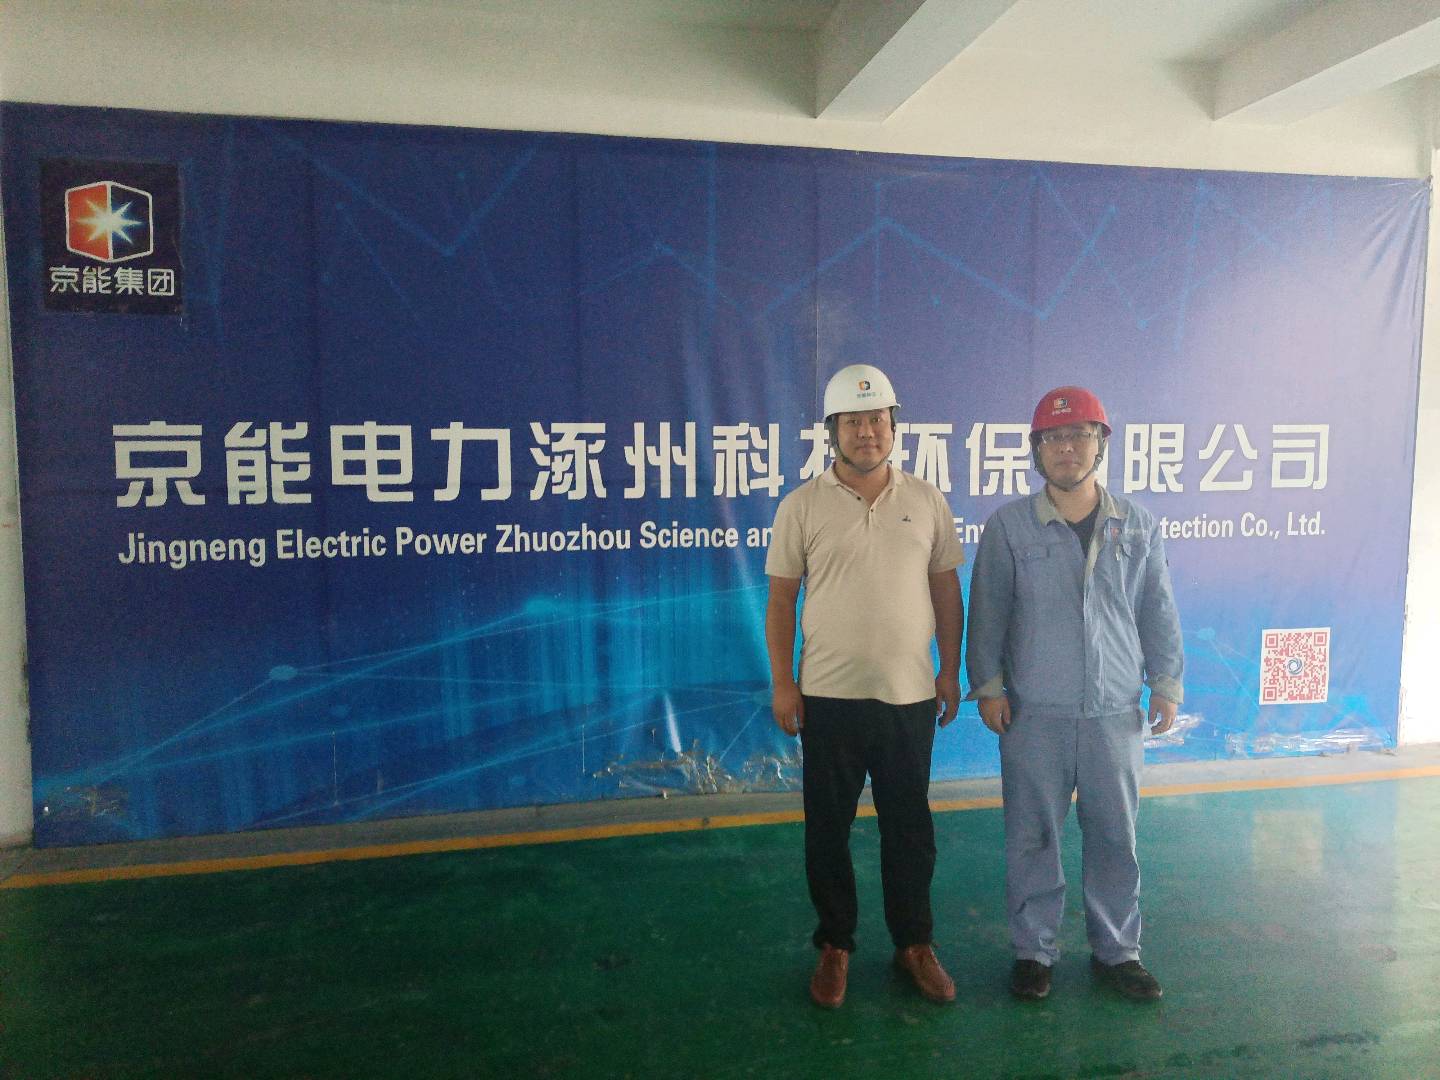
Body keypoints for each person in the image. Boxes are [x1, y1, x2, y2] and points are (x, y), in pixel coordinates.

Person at [965, 386, 1183, 1003]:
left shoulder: (1136, 524)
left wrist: (1166, 681)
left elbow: (1157, 607)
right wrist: (989, 686)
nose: (1067, 448)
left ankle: (1118, 952)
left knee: (1116, 836)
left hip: (1115, 712)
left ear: (1100, 444)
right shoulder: (1010, 526)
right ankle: (1034, 951)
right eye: (1054, 438)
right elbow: (988, 613)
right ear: (1037, 450)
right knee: (1032, 835)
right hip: (1034, 712)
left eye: (1080, 435)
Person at [765, 363, 965, 1009]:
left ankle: (914, 945)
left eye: (877, 419)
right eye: (853, 421)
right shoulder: (801, 505)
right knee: (827, 830)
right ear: (832, 431)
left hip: (909, 695)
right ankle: (835, 945)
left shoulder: (926, 500)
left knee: (910, 830)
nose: (867, 432)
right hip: (828, 696)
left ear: (893, 426)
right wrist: (784, 683)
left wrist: (949, 669)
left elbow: (945, 589)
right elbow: (781, 600)